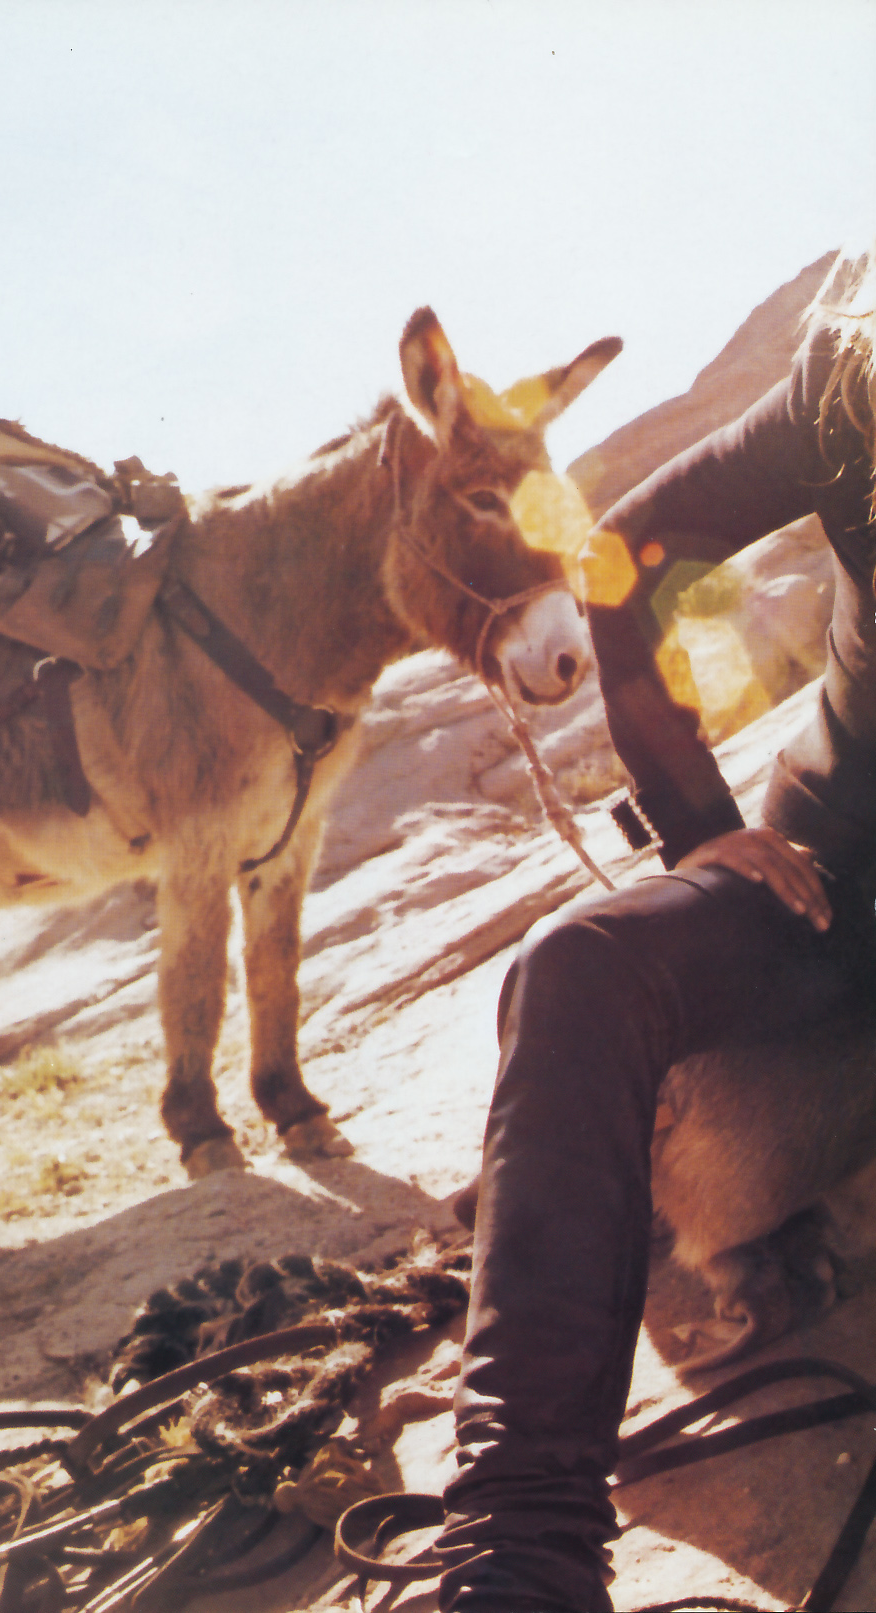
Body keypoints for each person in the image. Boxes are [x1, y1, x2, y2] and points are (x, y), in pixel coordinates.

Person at [438, 250, 876, 1613]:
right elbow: (619, 561)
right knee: (575, 965)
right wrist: (697, 824)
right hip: (825, 885)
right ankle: (518, 1551)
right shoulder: (851, 380)